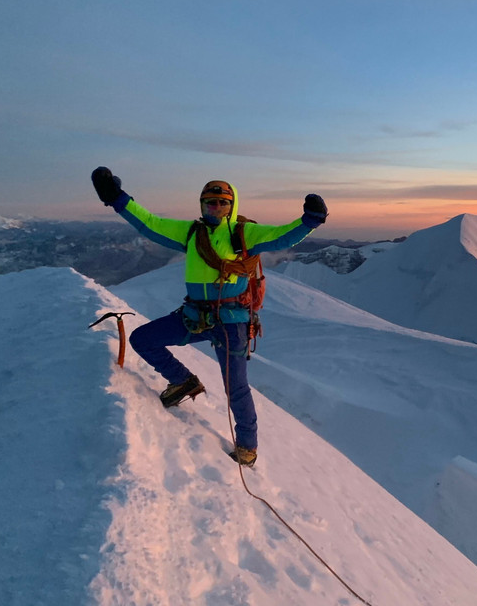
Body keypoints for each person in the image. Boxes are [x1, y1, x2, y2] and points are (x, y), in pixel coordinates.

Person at [91, 166, 328, 466]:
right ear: (202, 205)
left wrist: (310, 221)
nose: (216, 207)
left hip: (231, 323)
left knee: (236, 387)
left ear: (232, 205)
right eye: (210, 202)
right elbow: (149, 224)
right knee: (143, 339)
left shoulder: (244, 233)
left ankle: (247, 447)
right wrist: (117, 199)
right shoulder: (192, 232)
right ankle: (182, 381)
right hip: (194, 315)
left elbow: (281, 237)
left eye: (222, 202)